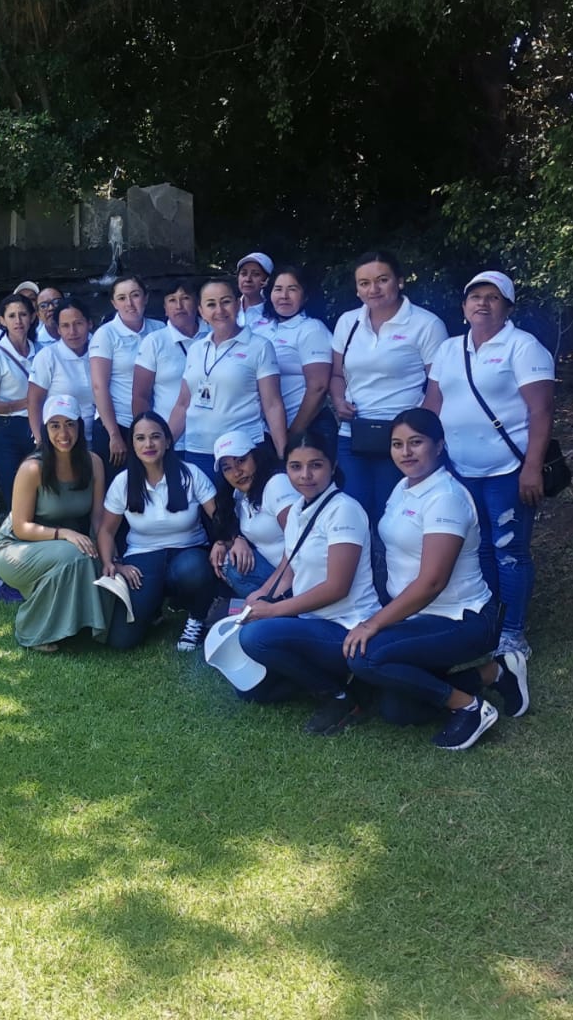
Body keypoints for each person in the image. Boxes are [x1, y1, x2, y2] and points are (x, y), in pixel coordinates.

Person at [342, 409, 529, 751]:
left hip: (462, 618)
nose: (406, 452)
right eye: (397, 444)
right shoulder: (403, 487)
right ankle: (494, 672)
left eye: (416, 442)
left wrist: (374, 623)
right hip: (416, 618)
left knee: (366, 657)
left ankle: (469, 708)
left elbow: (432, 582)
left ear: (439, 445)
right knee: (400, 710)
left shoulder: (446, 497)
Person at [423, 270, 555, 660]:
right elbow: (433, 405)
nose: (482, 303)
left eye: (493, 297)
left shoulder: (523, 347)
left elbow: (542, 412)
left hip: (507, 470)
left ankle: (513, 632)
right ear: (464, 306)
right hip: (460, 470)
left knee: (510, 551)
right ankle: (488, 623)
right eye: (475, 296)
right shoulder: (449, 349)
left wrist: (532, 467)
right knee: (478, 548)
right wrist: (426, 457)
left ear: (508, 307)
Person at [223, 430, 379, 734]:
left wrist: (273, 611)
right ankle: (340, 679)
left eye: (315, 465)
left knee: (255, 638)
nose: (305, 475)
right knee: (254, 691)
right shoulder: (298, 508)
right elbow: (289, 565)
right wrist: (261, 595)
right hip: (312, 621)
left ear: (333, 465)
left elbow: (337, 587)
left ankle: (338, 696)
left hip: (347, 626)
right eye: (295, 467)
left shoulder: (344, 510)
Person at [329, 249, 447, 584]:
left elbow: (438, 384)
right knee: (351, 516)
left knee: (394, 519)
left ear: (400, 281)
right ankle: (357, 590)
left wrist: (421, 432)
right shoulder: (348, 322)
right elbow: (336, 375)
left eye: (382, 280)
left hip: (402, 442)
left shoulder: (426, 324)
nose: (373, 289)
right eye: (364, 283)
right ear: (356, 289)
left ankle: (398, 591)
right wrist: (338, 400)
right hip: (353, 435)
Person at [0, 394, 109, 652]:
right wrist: (64, 533)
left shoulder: (94, 463)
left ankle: (81, 626)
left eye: (70, 424)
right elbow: (22, 527)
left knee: (91, 557)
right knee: (76, 555)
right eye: (55, 425)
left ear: (80, 426)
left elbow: (98, 518)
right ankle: (33, 631)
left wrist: (108, 556)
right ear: (45, 429)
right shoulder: (32, 468)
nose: (63, 433)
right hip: (16, 546)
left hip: (63, 544)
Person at [97, 410, 219, 650]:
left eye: (155, 436)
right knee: (122, 641)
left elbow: (218, 516)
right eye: (140, 438)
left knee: (192, 569)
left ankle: (196, 619)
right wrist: (113, 563)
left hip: (188, 552)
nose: (148, 444)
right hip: (143, 556)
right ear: (132, 444)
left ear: (168, 441)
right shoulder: (123, 482)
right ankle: (153, 609)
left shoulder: (190, 474)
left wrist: (225, 541)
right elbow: (106, 531)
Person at [168, 278, 288, 481]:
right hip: (198, 450)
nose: (219, 310)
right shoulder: (196, 349)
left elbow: (272, 404)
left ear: (237, 304)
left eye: (225, 301)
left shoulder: (259, 346)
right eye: (211, 304)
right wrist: (165, 446)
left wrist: (283, 455)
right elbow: (182, 404)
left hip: (242, 452)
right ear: (201, 311)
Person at [89, 274, 164, 480]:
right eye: (121, 298)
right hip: (118, 425)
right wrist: (114, 435)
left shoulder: (160, 329)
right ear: (114, 303)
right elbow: (99, 386)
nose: (129, 303)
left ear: (146, 298)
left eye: (135, 295)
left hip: (154, 425)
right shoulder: (106, 334)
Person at [208, 430, 299, 598]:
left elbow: (300, 542)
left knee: (233, 567)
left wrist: (270, 592)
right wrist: (234, 540)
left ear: (256, 457)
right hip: (273, 570)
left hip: (298, 573)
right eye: (227, 468)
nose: (237, 472)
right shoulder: (238, 494)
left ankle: (278, 606)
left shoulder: (276, 484)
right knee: (227, 560)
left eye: (241, 461)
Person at [254, 263, 334, 450]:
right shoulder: (260, 329)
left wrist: (295, 432)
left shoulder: (312, 329)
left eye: (292, 289)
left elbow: (318, 387)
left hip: (307, 428)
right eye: (278, 289)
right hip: (269, 431)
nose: (284, 296)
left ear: (305, 296)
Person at [131, 279, 206, 452]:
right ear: (165, 308)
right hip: (170, 441)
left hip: (211, 439)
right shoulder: (154, 342)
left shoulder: (213, 335)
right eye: (172, 300)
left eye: (185, 298)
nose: (179, 306)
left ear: (197, 303)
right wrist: (148, 438)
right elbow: (140, 396)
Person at [0, 293, 39, 509]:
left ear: (32, 317)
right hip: (6, 429)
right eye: (12, 316)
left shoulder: (40, 351)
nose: (18, 321)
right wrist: (24, 403)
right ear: (2, 321)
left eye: (23, 314)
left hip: (35, 427)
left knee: (38, 488)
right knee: (14, 491)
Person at [28, 297, 95, 446]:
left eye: (78, 324)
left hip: (100, 438)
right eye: (65, 326)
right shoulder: (47, 357)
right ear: (58, 329)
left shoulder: (99, 353)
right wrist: (40, 441)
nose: (72, 332)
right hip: (61, 441)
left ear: (89, 323)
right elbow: (34, 402)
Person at [235, 251, 272, 327]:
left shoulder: (273, 312)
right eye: (244, 274)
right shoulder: (230, 308)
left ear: (267, 280)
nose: (248, 279)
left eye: (256, 274)